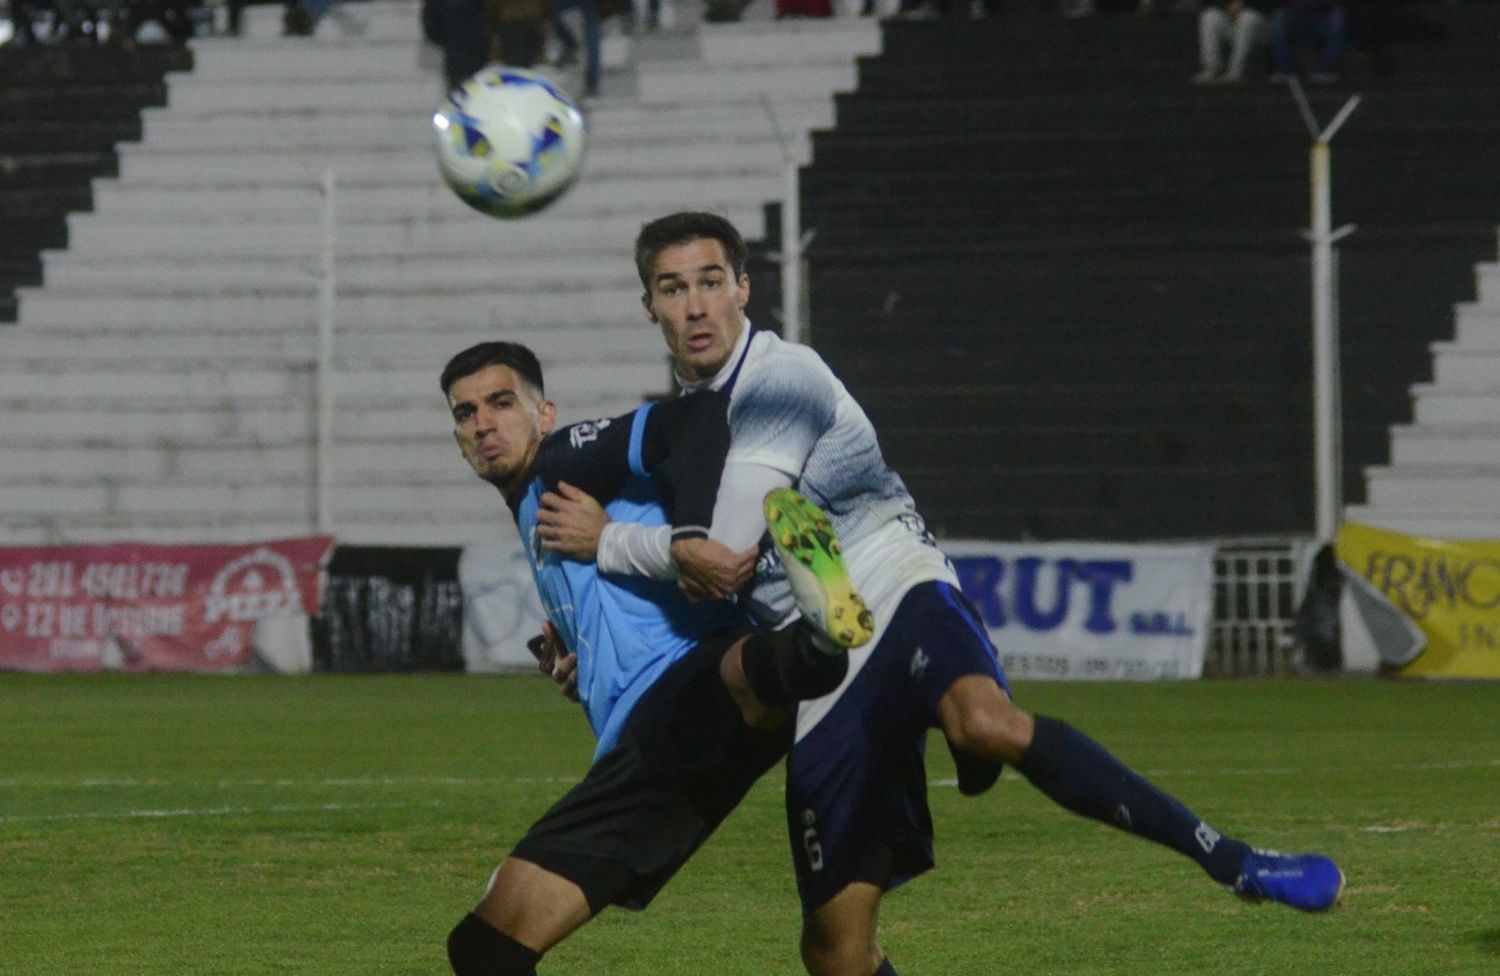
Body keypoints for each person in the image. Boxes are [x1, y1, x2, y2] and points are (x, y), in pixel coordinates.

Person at [547, 212, 1345, 976]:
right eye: (673, 287)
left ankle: (1235, 862)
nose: (695, 306)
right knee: (835, 953)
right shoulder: (680, 425)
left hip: (892, 582)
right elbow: (692, 575)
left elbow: (720, 558)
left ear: (745, 289)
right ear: (648, 305)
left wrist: (606, 541)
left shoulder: (780, 378)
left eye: (710, 281)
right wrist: (585, 636)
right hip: (822, 661)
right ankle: (954, 745)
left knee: (988, 721)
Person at [438, 340, 876, 976]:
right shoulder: (537, 518)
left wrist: (693, 536)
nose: (483, 424)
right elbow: (621, 611)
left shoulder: (564, 464)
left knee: (487, 948)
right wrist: (582, 664)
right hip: (666, 749)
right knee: (487, 947)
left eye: (501, 403)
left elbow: (694, 418)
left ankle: (816, 644)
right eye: (465, 413)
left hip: (681, 700)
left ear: (545, 413)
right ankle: (813, 647)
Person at [1193, 1, 1272, 85]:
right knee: (1209, 16)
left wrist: (1240, 7)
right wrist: (1228, 7)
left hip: (1260, 24)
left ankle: (1236, 71)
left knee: (1247, 17)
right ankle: (1212, 68)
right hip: (1231, 20)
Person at [1271, 0, 1349, 83]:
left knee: (1339, 17)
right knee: (1279, 16)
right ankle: (1284, 69)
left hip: (1324, 18)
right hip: (1295, 18)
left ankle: (1328, 70)